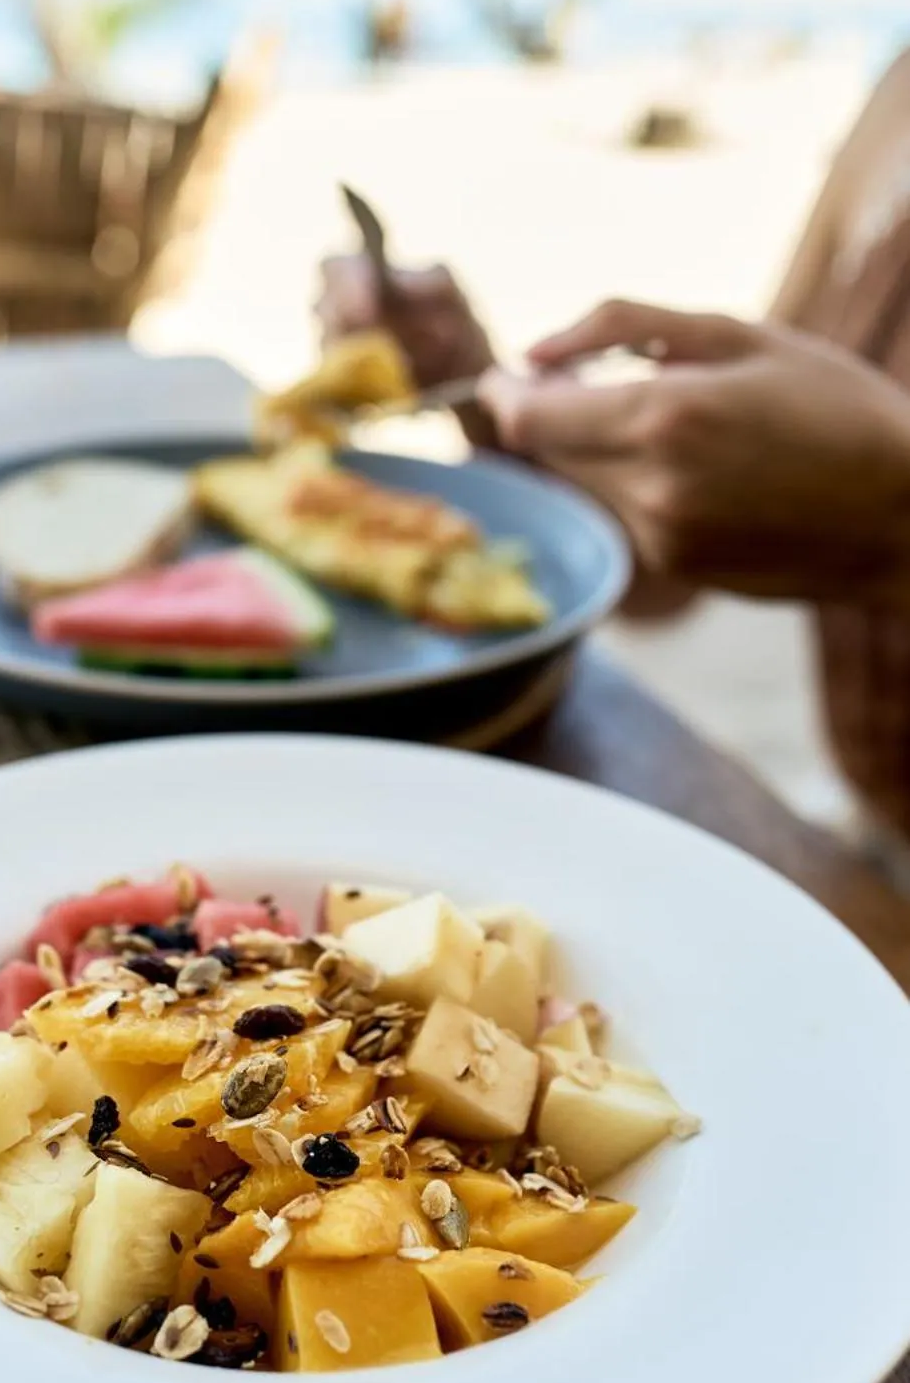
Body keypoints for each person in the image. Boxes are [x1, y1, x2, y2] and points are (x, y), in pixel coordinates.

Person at [317, 51, 910, 861]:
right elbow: (687, 553)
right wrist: (488, 394)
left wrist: (891, 527)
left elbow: (851, 510)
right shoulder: (895, 95)